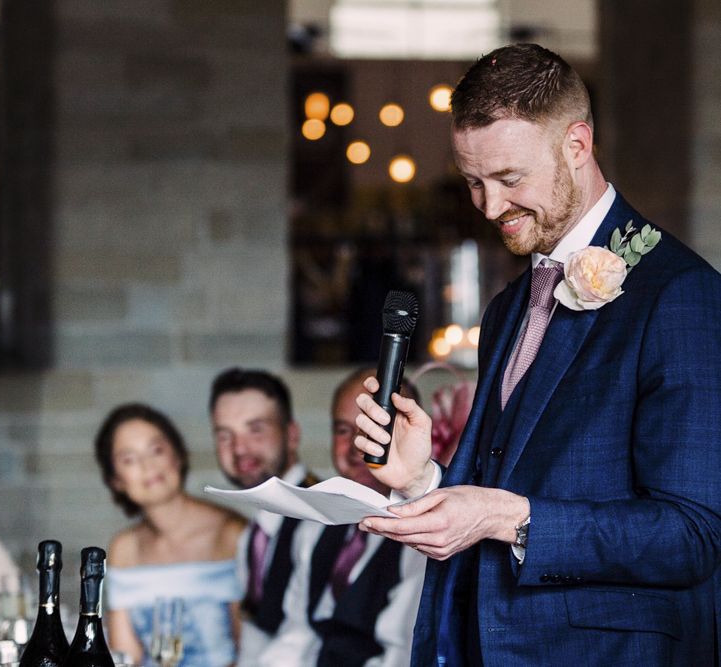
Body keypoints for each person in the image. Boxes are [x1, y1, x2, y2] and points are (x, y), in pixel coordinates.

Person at [354, 43, 721, 666]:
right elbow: (509, 486)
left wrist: (508, 518)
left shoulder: (681, 296)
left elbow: (692, 534)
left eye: (509, 179)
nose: (491, 207)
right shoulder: (508, 306)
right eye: (473, 182)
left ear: (577, 145)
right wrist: (423, 480)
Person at [259, 367, 426, 666]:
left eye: (373, 430)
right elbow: (298, 633)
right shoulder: (314, 525)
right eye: (343, 430)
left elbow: (403, 653)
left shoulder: (422, 539)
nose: (354, 448)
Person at [95, 403, 246, 667]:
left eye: (156, 450)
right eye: (129, 459)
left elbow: (251, 651)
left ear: (179, 455)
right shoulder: (124, 548)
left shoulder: (231, 534)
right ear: (115, 480)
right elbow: (124, 658)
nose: (148, 466)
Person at [209, 367, 319, 666]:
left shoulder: (323, 519)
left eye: (255, 429)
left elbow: (309, 637)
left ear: (291, 434)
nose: (239, 448)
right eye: (225, 435)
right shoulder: (253, 535)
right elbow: (256, 636)